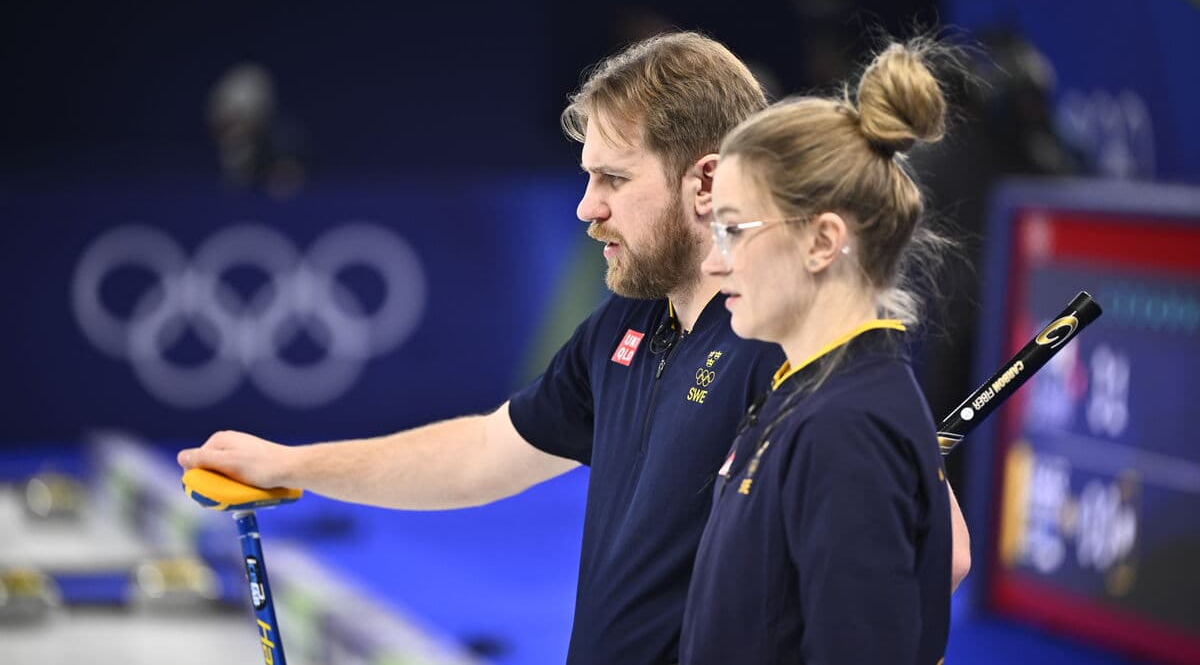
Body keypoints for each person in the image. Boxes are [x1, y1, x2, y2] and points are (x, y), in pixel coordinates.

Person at [179, 32, 968, 664]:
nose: (587, 207)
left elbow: (936, 552)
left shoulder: (781, 342)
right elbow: (480, 454)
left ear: (703, 182)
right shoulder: (625, 327)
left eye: (613, 179)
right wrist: (290, 464)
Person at [680, 39, 962, 664]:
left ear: (822, 241)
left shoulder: (845, 429)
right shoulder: (807, 394)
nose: (712, 262)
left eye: (733, 229)